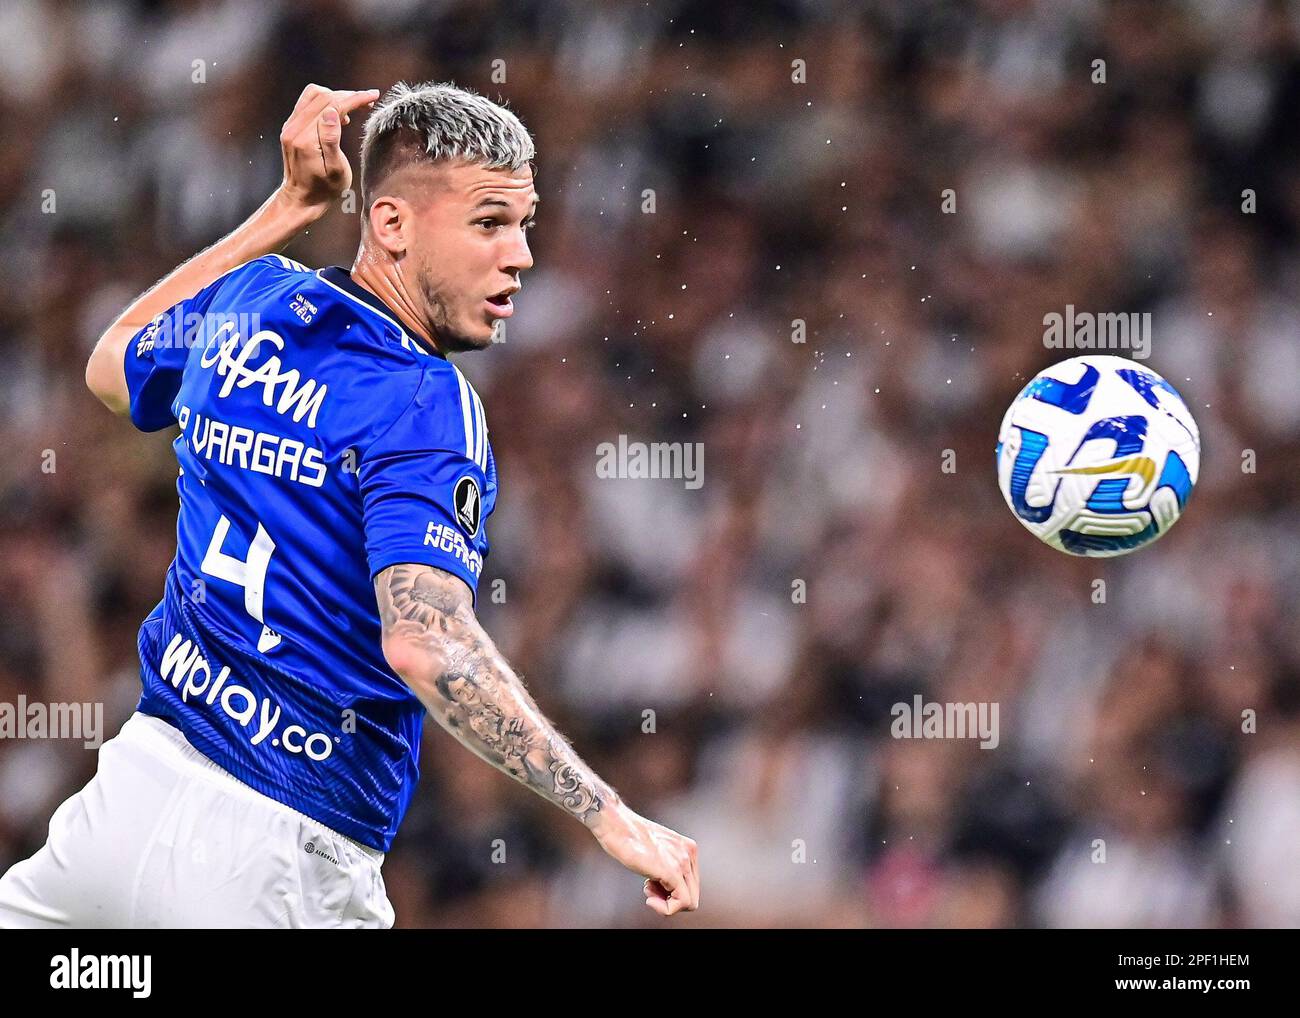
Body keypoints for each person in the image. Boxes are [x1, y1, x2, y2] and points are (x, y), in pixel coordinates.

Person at [0, 81, 699, 928]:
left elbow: (111, 366)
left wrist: (288, 205)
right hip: (279, 858)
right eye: (488, 223)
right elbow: (425, 645)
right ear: (393, 224)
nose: (519, 255)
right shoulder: (426, 403)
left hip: (122, 808)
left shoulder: (250, 302)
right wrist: (608, 814)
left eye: (525, 223)